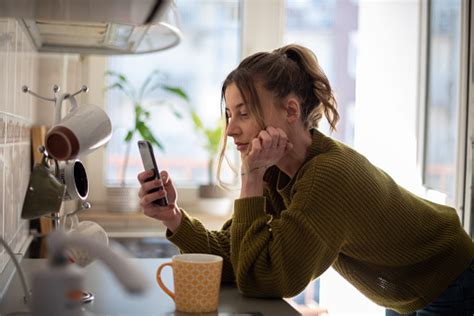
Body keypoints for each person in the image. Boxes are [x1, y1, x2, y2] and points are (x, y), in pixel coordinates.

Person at [137, 44, 474, 315]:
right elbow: (238, 256)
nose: (230, 129)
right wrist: (175, 218)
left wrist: (250, 177)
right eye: (229, 113)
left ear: (292, 111)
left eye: (244, 113)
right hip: (406, 290)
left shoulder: (326, 175)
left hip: (449, 280)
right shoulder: (277, 171)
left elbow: (268, 279)